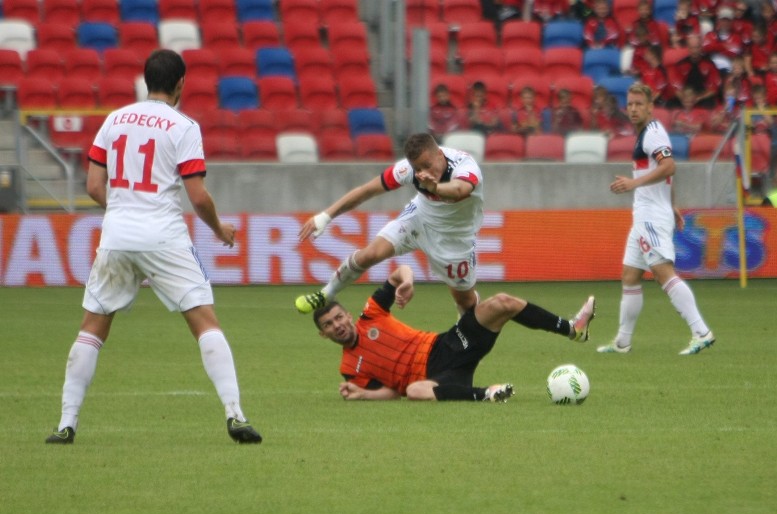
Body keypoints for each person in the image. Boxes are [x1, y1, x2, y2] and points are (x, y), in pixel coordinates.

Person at [45, 50, 261, 444]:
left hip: (117, 236)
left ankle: (66, 424)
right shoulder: (183, 126)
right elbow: (198, 197)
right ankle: (236, 415)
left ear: (146, 81)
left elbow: (94, 187)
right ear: (181, 83)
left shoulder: (113, 120)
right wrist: (219, 229)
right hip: (164, 236)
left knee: (92, 330)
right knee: (204, 322)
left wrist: (126, 211)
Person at [313, 265, 597, 401]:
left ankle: (573, 329)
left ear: (348, 315)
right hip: (435, 379)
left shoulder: (371, 313)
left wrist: (408, 282)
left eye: (338, 317)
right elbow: (391, 393)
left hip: (445, 346)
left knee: (502, 303)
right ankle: (488, 393)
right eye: (328, 325)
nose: (337, 325)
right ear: (324, 335)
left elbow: (399, 270)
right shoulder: (348, 367)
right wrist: (362, 394)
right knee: (413, 390)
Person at [295, 133, 485, 316]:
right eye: (418, 168)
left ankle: (467, 327)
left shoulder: (465, 166)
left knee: (465, 301)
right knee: (369, 254)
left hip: (455, 236)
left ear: (439, 154)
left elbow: (459, 189)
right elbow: (366, 191)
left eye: (427, 165)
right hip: (418, 219)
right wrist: (326, 216)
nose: (422, 173)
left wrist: (435, 188)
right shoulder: (408, 170)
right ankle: (327, 293)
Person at [598, 83, 715, 356]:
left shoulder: (652, 134)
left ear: (650, 107)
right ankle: (623, 342)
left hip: (650, 216)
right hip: (646, 214)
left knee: (663, 274)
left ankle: (701, 331)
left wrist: (633, 183)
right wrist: (672, 204)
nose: (634, 108)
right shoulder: (645, 135)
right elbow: (664, 173)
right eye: (630, 104)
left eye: (639, 103)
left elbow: (669, 166)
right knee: (630, 275)